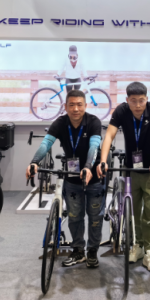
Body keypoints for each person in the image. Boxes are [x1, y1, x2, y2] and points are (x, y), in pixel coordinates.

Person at [26, 90, 103, 268]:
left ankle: (92, 251)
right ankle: (78, 251)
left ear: (85, 105)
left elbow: (94, 146)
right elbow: (46, 143)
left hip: (93, 177)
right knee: (75, 217)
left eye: (79, 105)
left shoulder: (93, 122)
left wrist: (88, 166)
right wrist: (34, 162)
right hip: (72, 178)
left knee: (95, 218)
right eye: (71, 105)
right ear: (65, 106)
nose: (75, 109)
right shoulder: (60, 123)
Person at [100, 82, 150, 272]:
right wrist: (103, 160)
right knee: (132, 211)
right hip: (130, 170)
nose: (138, 105)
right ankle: (137, 245)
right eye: (133, 101)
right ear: (127, 100)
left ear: (147, 99)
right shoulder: (121, 111)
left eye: (141, 100)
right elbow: (109, 136)